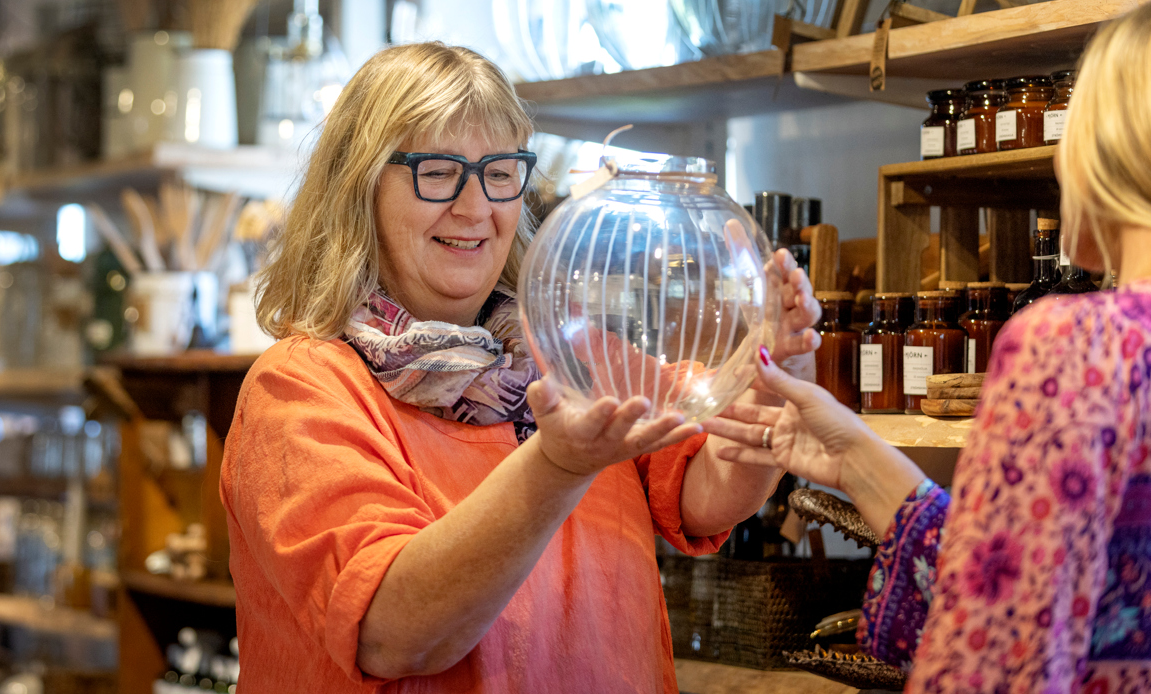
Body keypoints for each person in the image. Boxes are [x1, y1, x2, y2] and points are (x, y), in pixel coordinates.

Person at [219, 42, 821, 692]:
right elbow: (393, 633)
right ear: (358, 185)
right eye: (439, 171)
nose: (476, 207)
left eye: (499, 171)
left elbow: (706, 494)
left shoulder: (569, 356)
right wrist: (557, 467)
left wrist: (770, 380)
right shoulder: (301, 389)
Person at [702, 2, 1151, 692]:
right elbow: (1029, 577)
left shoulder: (1075, 345)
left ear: (1105, 156)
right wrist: (855, 455)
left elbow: (996, 647)